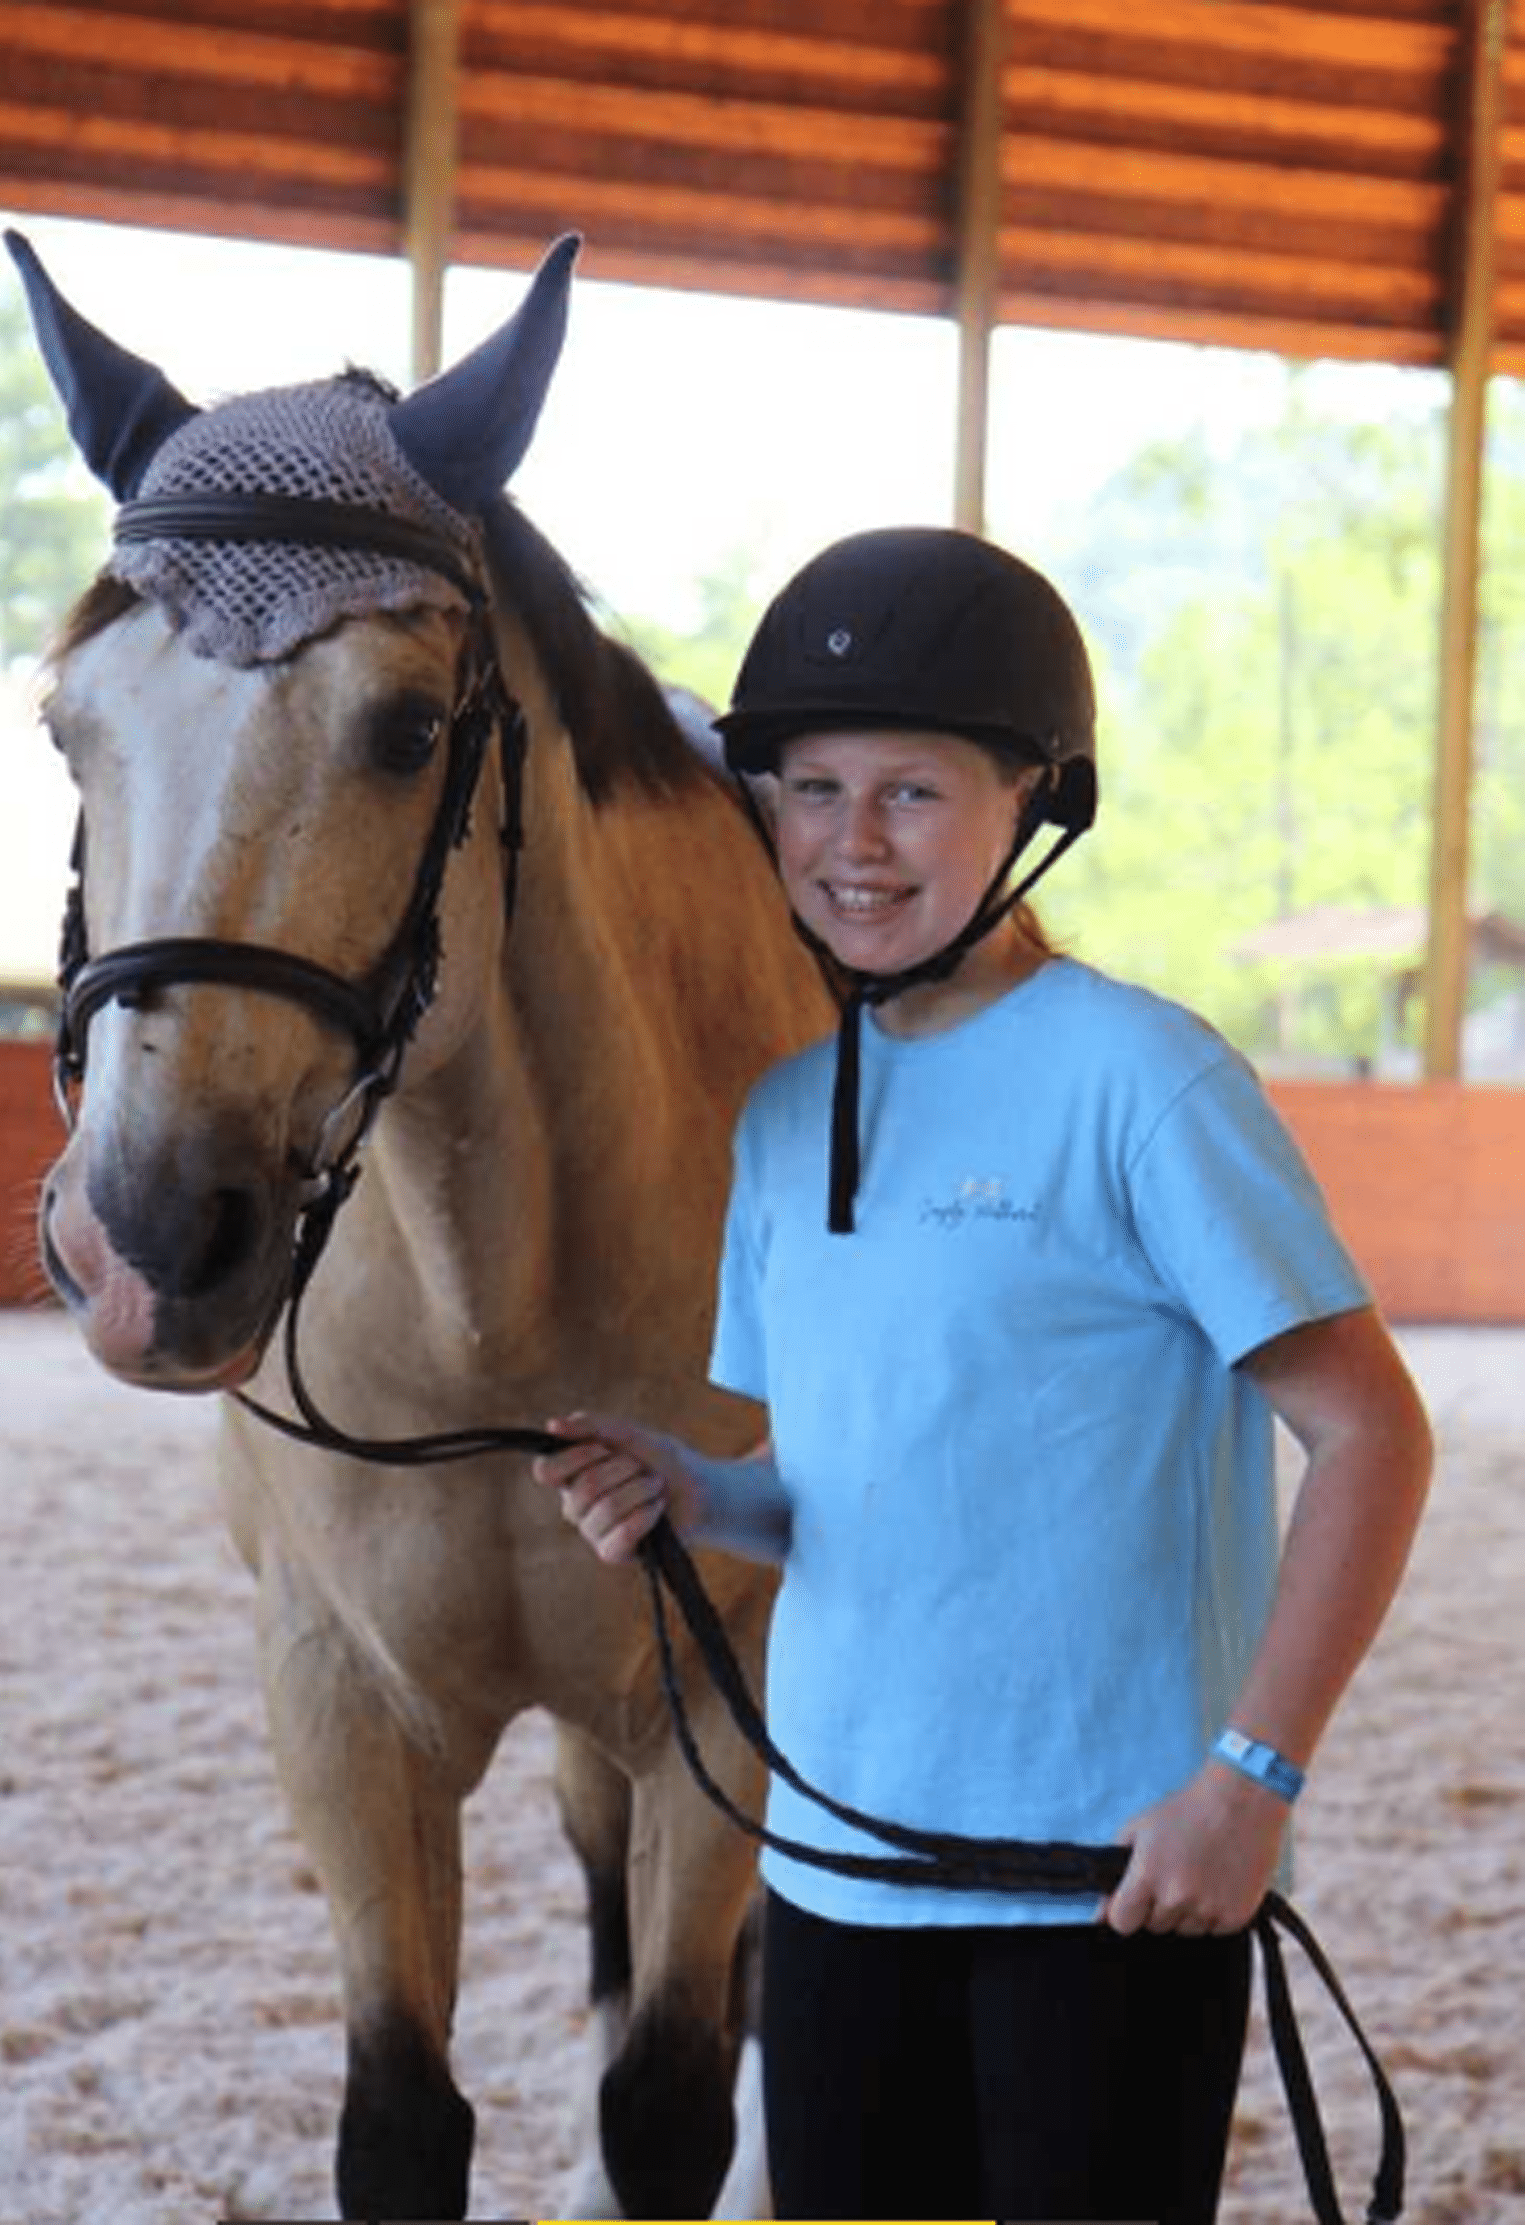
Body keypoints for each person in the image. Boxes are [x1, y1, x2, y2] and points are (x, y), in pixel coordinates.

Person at [533, 526, 1433, 2224]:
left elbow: (1370, 1436)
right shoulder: (787, 1118)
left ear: (1026, 801)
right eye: (808, 790)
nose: (849, 844)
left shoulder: (1142, 1080)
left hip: (1111, 1890)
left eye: (910, 794)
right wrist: (693, 1489)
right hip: (831, 1880)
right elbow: (841, 1489)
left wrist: (1248, 1783)